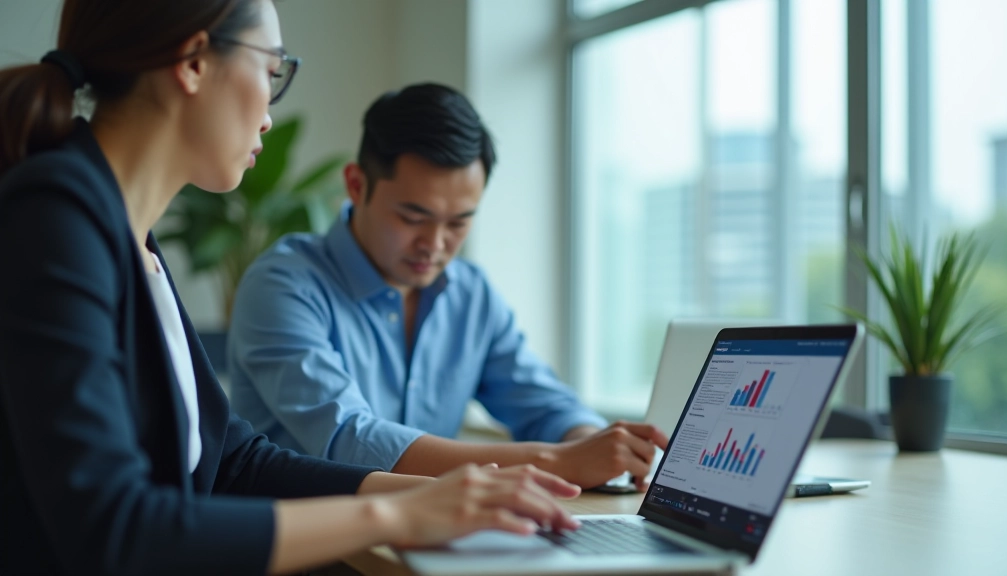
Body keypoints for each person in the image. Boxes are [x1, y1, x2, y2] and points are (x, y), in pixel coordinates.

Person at [0, 2, 581, 574]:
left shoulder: (132, 237)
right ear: (194, 62)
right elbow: (115, 529)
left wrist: (439, 493)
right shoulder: (55, 215)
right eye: (271, 71)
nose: (270, 115)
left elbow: (233, 463)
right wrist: (394, 515)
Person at [228, 83, 669, 491]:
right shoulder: (283, 284)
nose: (435, 245)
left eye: (459, 222)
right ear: (357, 186)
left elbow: (544, 406)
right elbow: (349, 438)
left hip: (426, 536)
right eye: (413, 218)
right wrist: (560, 461)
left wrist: (597, 447)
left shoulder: (470, 293)